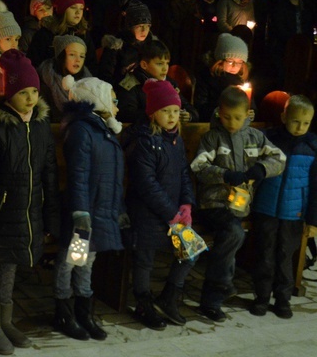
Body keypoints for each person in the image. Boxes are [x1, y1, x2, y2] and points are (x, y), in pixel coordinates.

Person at [0, 49, 59, 355]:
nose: (31, 98)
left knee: (10, 263)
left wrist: (49, 212)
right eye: (23, 92)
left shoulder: (41, 125)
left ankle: (5, 319)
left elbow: (49, 172)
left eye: (34, 91)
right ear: (9, 93)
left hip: (28, 208)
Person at [190, 86, 286, 322]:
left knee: (232, 236)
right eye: (226, 116)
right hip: (212, 204)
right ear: (219, 113)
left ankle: (219, 289)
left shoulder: (255, 137)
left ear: (247, 115)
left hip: (239, 205)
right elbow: (198, 167)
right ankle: (216, 294)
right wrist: (224, 174)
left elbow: (279, 158)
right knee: (234, 233)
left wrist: (262, 169)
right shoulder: (212, 137)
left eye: (237, 117)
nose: (231, 122)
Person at [55, 77, 124, 342]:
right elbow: (79, 174)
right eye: (114, 100)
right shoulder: (83, 129)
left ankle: (84, 312)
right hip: (83, 213)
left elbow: (114, 176)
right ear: (100, 100)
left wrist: (118, 208)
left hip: (99, 210)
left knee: (87, 262)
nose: (117, 106)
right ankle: (63, 312)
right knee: (70, 262)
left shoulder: (102, 129)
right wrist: (80, 213)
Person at [125, 80, 196, 329]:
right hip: (147, 214)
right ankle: (143, 302)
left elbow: (184, 173)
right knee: (144, 259)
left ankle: (168, 297)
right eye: (166, 110)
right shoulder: (145, 140)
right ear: (153, 112)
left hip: (174, 213)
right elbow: (147, 184)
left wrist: (186, 204)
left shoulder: (176, 140)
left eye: (175, 111)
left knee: (190, 251)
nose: (172, 116)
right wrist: (172, 212)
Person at [250, 95, 317, 318]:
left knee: (285, 256)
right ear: (284, 117)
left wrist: (313, 218)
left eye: (306, 122)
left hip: (294, 212)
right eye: (296, 120)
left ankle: (283, 299)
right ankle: (261, 297)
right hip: (266, 208)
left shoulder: (312, 146)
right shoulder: (269, 139)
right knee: (265, 254)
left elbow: (316, 185)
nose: (300, 127)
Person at [116, 40, 197, 124]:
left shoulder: (169, 83)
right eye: (159, 64)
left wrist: (189, 116)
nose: (165, 68)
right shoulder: (131, 85)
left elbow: (190, 108)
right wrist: (156, 114)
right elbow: (125, 115)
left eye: (167, 63)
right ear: (144, 65)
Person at [28, 0, 96, 74]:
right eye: (73, 7)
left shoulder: (83, 34)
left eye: (81, 8)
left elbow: (92, 64)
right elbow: (33, 65)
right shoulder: (45, 34)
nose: (78, 12)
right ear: (61, 9)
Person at [194, 33, 252, 122]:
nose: (234, 66)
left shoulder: (241, 80)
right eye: (230, 61)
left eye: (239, 62)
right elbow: (200, 107)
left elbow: (251, 103)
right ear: (220, 61)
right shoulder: (207, 77)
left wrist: (251, 113)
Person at [98, 0, 155, 85]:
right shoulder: (115, 46)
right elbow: (105, 75)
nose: (144, 30)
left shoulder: (152, 46)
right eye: (140, 26)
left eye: (147, 26)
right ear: (129, 26)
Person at [37, 34, 92, 120]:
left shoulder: (90, 83)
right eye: (72, 55)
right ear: (61, 56)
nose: (78, 60)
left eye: (82, 56)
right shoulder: (46, 82)